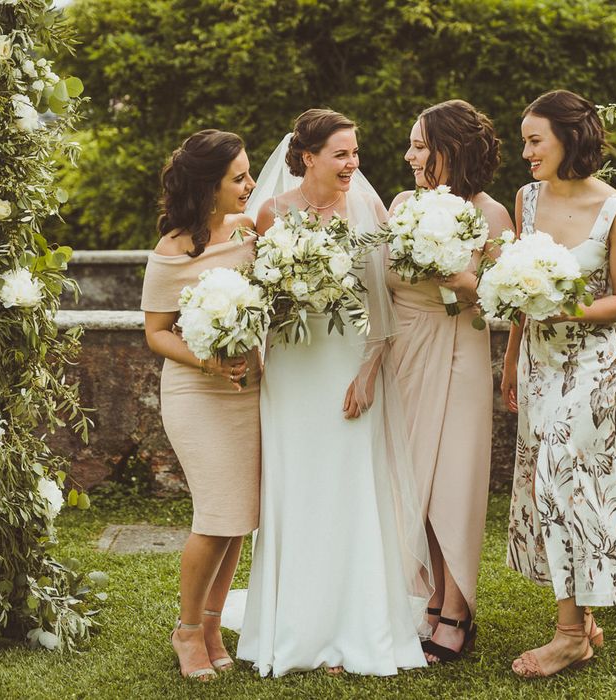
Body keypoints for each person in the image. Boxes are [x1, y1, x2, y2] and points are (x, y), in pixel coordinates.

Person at [232, 109, 432, 677]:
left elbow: (381, 307)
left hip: (348, 364)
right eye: (341, 154)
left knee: (348, 487)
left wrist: (368, 372)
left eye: (356, 153)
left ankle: (354, 624)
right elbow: (256, 300)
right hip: (292, 370)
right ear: (309, 156)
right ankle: (294, 627)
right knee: (297, 487)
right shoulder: (271, 212)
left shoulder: (367, 211)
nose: (353, 164)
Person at [501, 89, 616, 678]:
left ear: (569, 139)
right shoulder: (526, 200)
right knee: (552, 480)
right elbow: (515, 289)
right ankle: (584, 619)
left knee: (563, 469)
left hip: (591, 365)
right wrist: (510, 359)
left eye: (536, 140)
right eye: (526, 140)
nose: (526, 151)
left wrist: (567, 311)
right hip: (537, 360)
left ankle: (567, 637)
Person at [387, 99, 513, 663]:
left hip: (461, 349)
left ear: (452, 149)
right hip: (407, 353)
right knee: (414, 479)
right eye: (412, 144)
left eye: (420, 144)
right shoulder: (401, 204)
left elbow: (502, 299)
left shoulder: (493, 215)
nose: (410, 155)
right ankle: (431, 600)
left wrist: (449, 270)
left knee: (454, 481)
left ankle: (458, 609)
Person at [140, 129, 258, 681]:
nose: (250, 185)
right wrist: (209, 362)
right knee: (215, 516)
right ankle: (187, 630)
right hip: (196, 392)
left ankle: (212, 624)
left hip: (247, 391)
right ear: (209, 185)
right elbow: (157, 333)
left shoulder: (250, 233)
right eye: (238, 177)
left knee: (239, 519)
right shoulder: (172, 250)